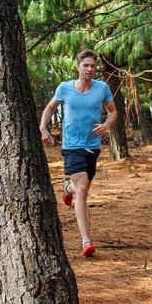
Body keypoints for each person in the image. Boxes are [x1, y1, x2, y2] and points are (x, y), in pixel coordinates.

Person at [39, 49, 117, 257]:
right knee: (82, 190)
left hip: (93, 147)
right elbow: (50, 107)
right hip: (72, 146)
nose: (90, 69)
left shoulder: (101, 88)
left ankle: (67, 187)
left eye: (93, 66)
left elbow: (113, 111)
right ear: (78, 67)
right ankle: (86, 241)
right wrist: (43, 127)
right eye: (86, 65)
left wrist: (106, 125)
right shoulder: (65, 88)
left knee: (82, 190)